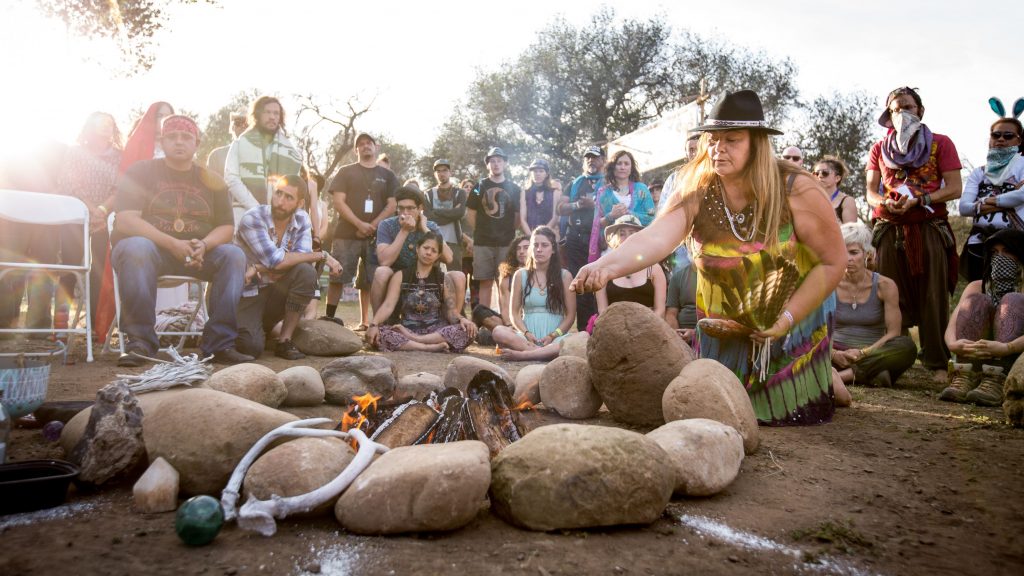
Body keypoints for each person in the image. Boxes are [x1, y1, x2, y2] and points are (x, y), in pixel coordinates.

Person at [573, 89, 846, 426]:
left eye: (732, 140)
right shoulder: (698, 188)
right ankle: (832, 376)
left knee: (783, 412)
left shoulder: (796, 189)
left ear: (757, 143)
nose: (718, 148)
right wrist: (604, 266)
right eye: (713, 140)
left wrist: (785, 320)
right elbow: (656, 237)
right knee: (719, 405)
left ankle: (826, 376)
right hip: (724, 325)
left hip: (793, 320)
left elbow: (833, 262)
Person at [111, 115, 252, 367]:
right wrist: (171, 243)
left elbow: (226, 227)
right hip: (150, 252)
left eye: (186, 137)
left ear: (196, 143)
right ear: (162, 142)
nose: (179, 142)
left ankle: (219, 344)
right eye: (172, 137)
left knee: (234, 255)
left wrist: (205, 245)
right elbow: (125, 220)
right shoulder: (140, 172)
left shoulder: (214, 181)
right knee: (136, 246)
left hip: (197, 253)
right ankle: (140, 342)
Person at [866, 86, 963, 383]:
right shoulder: (879, 148)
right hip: (890, 227)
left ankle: (936, 362)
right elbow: (870, 192)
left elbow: (955, 187)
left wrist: (921, 200)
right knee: (888, 294)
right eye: (895, 109)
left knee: (934, 294)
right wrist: (885, 203)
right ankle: (895, 360)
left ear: (919, 110)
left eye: (907, 106)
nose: (901, 112)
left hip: (928, 227)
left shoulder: (941, 143)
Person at [234, 175, 342, 359]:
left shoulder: (302, 219)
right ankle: (247, 330)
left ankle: (284, 340)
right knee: (251, 348)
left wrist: (258, 268)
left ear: (300, 203)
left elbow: (300, 261)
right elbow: (277, 262)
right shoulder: (253, 218)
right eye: (278, 193)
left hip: (273, 291)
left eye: (288, 197)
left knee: (305, 273)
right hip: (246, 294)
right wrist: (321, 255)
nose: (280, 202)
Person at [93, 101, 174, 343]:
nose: (164, 121)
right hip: (141, 221)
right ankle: (142, 331)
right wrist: (105, 209)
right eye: (160, 116)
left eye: (170, 116)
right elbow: (124, 187)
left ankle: (172, 324)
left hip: (174, 222)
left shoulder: (180, 149)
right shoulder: (138, 146)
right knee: (139, 251)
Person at [54, 112, 123, 331]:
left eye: (110, 125)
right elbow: (68, 182)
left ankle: (96, 325)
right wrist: (91, 209)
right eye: (101, 124)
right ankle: (61, 326)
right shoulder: (75, 153)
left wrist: (102, 210)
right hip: (75, 215)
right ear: (89, 127)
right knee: (70, 268)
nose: (106, 128)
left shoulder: (119, 156)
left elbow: (120, 187)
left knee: (99, 270)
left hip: (105, 218)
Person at [323, 132, 398, 330]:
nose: (365, 146)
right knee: (338, 275)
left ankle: (377, 323)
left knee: (376, 279)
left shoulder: (388, 175)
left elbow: (392, 205)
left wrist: (373, 225)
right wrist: (359, 224)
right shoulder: (345, 171)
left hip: (378, 236)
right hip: (346, 234)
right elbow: (338, 202)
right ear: (356, 149)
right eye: (361, 144)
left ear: (376, 147)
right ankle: (329, 318)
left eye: (369, 143)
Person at [941, 229, 1024, 406]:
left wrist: (1006, 348)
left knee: (1013, 300)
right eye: (995, 253)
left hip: (1013, 357)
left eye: (1007, 251)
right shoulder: (977, 286)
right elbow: (952, 325)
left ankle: (997, 378)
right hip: (977, 354)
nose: (1000, 258)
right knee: (975, 300)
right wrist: (953, 345)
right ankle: (965, 375)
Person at [831, 222, 916, 388]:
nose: (848, 258)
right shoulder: (828, 284)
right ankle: (871, 374)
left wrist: (863, 353)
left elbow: (893, 333)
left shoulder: (885, 285)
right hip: (835, 352)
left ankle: (844, 376)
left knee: (906, 346)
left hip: (873, 352)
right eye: (842, 252)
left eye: (854, 252)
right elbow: (815, 331)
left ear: (866, 254)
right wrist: (833, 354)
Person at [366, 233, 476, 352]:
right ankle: (428, 347)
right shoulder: (400, 276)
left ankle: (415, 341)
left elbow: (451, 312)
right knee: (381, 333)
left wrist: (462, 320)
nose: (428, 253)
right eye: (426, 248)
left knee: (469, 331)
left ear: (438, 255)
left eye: (434, 251)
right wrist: (374, 325)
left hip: (436, 331)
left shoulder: (443, 279)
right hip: (407, 329)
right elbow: (388, 305)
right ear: (418, 249)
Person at [370, 186, 463, 313]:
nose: (404, 213)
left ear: (420, 209)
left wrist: (425, 229)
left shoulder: (430, 226)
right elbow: (385, 261)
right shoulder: (386, 225)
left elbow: (448, 258)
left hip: (429, 277)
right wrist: (404, 231)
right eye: (401, 208)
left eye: (410, 208)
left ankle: (454, 322)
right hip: (399, 278)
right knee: (381, 272)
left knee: (458, 275)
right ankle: (379, 324)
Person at [493, 226, 576, 361]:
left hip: (555, 338)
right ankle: (542, 353)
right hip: (527, 339)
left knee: (583, 336)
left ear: (553, 249)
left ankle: (525, 355)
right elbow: (514, 313)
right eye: (535, 245)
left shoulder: (565, 276)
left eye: (544, 245)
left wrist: (553, 335)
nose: (539, 249)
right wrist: (526, 333)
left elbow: (571, 316)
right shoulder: (520, 275)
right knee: (498, 331)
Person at [958, 117, 1024, 281]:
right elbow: (964, 208)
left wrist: (986, 201)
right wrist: (1009, 200)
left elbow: (1022, 195)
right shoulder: (979, 173)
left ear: (1019, 140)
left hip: (1014, 245)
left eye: (1008, 136)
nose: (1001, 139)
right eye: (996, 135)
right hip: (978, 245)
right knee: (978, 299)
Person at [224, 96, 304, 224]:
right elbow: (231, 178)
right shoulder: (240, 144)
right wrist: (257, 209)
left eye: (276, 113)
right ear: (258, 115)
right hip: (244, 216)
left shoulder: (292, 154)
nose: (272, 117)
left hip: (278, 221)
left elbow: (294, 188)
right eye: (267, 112)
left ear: (280, 118)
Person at [466, 146, 521, 313]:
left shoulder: (514, 188)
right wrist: (481, 231)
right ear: (487, 165)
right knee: (485, 282)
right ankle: (485, 320)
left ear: (505, 163)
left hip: (506, 242)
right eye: (492, 161)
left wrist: (508, 231)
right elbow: (471, 213)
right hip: (483, 242)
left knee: (505, 282)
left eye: (499, 161)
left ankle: (507, 320)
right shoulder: (479, 186)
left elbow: (517, 217)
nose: (496, 164)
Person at [592, 214, 666, 330]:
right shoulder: (603, 270)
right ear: (615, 239)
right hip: (615, 330)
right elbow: (602, 310)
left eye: (632, 233)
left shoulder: (654, 269)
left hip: (649, 329)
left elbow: (660, 310)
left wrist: (644, 328)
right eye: (622, 234)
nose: (627, 238)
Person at [557, 146, 604, 330]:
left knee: (600, 283)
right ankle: (584, 330)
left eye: (595, 157)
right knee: (580, 284)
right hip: (575, 240)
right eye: (588, 158)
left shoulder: (609, 182)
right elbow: (560, 208)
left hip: (600, 240)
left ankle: (600, 327)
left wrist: (594, 204)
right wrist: (578, 204)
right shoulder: (575, 183)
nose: (591, 161)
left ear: (603, 161)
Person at [588, 150, 655, 262]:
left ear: (631, 168)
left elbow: (652, 218)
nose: (622, 167)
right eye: (619, 163)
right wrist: (611, 215)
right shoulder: (603, 193)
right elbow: (597, 224)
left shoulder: (641, 189)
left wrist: (629, 214)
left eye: (626, 164)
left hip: (638, 247)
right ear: (612, 167)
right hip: (612, 248)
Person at [472, 234, 530, 333]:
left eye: (526, 248)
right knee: (479, 310)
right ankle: (508, 334)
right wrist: (510, 325)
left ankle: (498, 335)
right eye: (518, 249)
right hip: (511, 322)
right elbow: (505, 307)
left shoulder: (541, 273)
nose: (521, 252)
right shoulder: (507, 275)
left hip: (533, 319)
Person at [423, 159, 467, 271]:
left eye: (445, 170)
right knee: (432, 275)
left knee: (455, 275)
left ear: (450, 172)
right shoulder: (428, 194)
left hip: (454, 241)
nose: (441, 174)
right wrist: (452, 213)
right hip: (433, 240)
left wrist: (436, 211)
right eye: (438, 171)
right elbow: (428, 217)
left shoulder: (459, 193)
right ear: (435, 174)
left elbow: (460, 213)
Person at [519, 158, 561, 237]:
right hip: (530, 235)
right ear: (531, 173)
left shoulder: (555, 192)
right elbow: (523, 219)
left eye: (541, 171)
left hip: (550, 235)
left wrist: (542, 235)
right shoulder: (524, 193)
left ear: (546, 173)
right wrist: (531, 237)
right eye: (535, 171)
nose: (537, 174)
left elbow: (555, 217)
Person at [665, 248, 698, 340]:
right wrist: (677, 335)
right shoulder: (678, 277)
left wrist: (696, 335)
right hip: (683, 338)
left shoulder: (721, 276)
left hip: (711, 335)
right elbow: (671, 314)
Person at [813, 155, 857, 224]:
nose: (820, 176)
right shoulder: (811, 200)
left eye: (825, 173)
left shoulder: (847, 201)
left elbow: (851, 232)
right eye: (816, 173)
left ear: (837, 178)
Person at [205, 113, 249, 178]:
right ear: (232, 127)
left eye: (247, 124)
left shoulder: (261, 155)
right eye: (238, 123)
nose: (242, 126)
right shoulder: (216, 155)